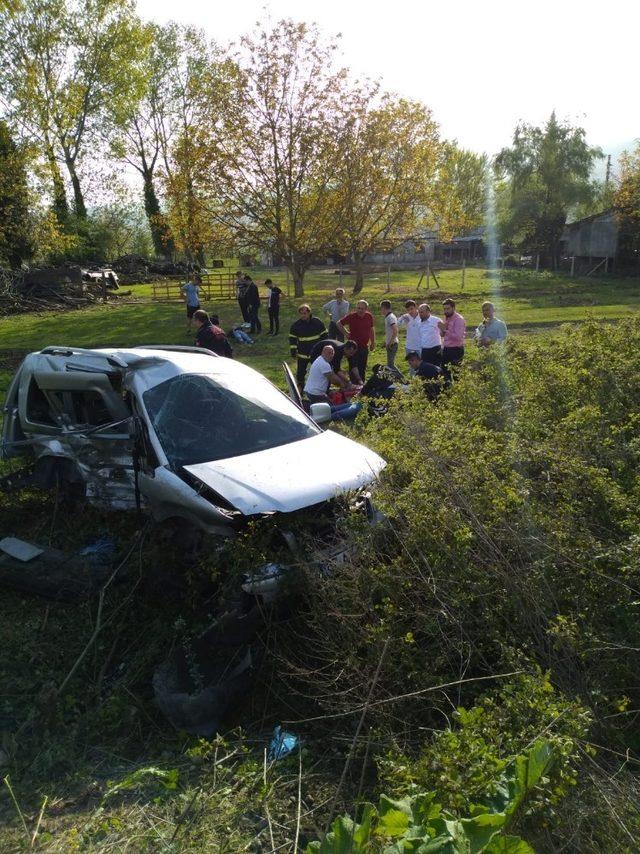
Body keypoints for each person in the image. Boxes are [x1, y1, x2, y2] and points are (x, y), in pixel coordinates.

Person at [289, 305, 329, 389]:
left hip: (316, 354)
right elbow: (292, 339)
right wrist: (293, 351)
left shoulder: (317, 322)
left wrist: (325, 348)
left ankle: (323, 389)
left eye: (304, 313)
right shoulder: (296, 325)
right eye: (301, 314)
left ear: (309, 312)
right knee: (300, 374)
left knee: (321, 372)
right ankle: (300, 391)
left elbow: (325, 335)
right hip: (302, 354)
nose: (303, 315)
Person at [338, 300, 375, 381]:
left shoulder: (369, 316)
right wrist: (346, 333)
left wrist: (373, 342)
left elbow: (371, 329)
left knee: (362, 367)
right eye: (358, 308)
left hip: (364, 346)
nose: (360, 310)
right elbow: (339, 323)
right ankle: (353, 385)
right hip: (352, 348)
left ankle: (362, 385)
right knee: (353, 367)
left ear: (366, 309)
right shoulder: (351, 316)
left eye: (362, 308)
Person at [438, 299, 466, 368]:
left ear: (453, 308)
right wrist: (441, 330)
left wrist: (445, 330)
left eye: (448, 309)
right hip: (446, 349)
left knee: (456, 374)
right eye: (444, 309)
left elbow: (458, 337)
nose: (446, 311)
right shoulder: (447, 317)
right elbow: (442, 335)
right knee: (445, 372)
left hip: (456, 350)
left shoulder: (459, 319)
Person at [380, 300, 399, 370]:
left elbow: (395, 330)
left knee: (391, 365)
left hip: (392, 344)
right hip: (391, 343)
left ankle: (403, 380)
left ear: (383, 307)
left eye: (381, 308)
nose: (380, 310)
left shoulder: (390, 317)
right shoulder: (388, 317)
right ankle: (396, 379)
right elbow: (390, 332)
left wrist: (390, 343)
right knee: (390, 364)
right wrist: (386, 342)